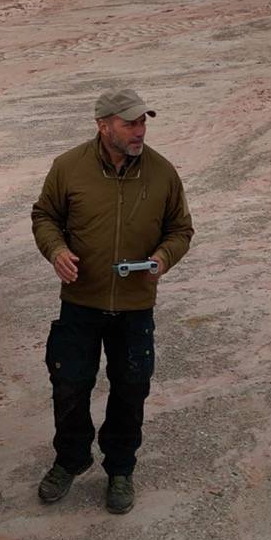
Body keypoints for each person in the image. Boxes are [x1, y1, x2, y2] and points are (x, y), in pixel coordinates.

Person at [30, 86, 194, 514]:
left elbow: (181, 230)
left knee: (130, 389)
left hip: (135, 307)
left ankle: (120, 468)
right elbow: (45, 216)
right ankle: (71, 459)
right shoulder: (68, 167)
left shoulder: (163, 173)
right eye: (129, 123)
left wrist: (164, 257)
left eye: (142, 122)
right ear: (103, 126)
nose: (139, 131)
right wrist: (56, 251)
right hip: (80, 302)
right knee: (69, 384)